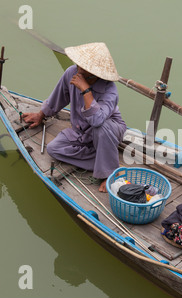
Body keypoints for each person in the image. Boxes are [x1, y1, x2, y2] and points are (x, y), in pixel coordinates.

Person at [22, 42, 127, 192]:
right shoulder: (71, 73)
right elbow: (58, 97)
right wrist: (40, 115)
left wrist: (86, 91)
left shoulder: (109, 90)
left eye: (82, 65)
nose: (77, 65)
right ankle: (101, 160)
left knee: (101, 129)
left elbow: (97, 121)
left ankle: (109, 173)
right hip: (82, 130)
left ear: (94, 72)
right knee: (54, 149)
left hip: (109, 128)